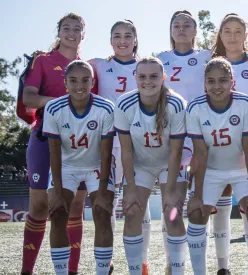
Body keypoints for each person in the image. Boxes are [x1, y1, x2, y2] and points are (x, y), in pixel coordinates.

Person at [186, 58, 248, 275]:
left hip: (241, 169)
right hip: (211, 170)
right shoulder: (195, 107)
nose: (217, 86)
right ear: (204, 84)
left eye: (223, 80)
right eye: (211, 81)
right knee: (196, 214)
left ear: (233, 81)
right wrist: (197, 195)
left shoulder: (245, 103)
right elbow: (200, 153)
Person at [21, 13, 87, 275]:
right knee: (39, 206)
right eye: (66, 28)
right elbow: (28, 97)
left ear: (84, 34)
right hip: (44, 138)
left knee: (75, 207)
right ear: (58, 32)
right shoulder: (43, 60)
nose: (72, 33)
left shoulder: (87, 65)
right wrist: (62, 102)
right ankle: (27, 270)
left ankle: (72, 270)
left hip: (80, 143)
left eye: (77, 29)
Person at [88, 20, 153, 272]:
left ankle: (142, 261)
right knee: (109, 200)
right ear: (110, 40)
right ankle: (108, 260)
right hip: (108, 143)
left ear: (136, 39)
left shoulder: (146, 65)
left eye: (128, 35)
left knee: (139, 201)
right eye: (117, 36)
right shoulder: (99, 65)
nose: (122, 40)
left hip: (139, 143)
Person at [114, 57, 189, 275]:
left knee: (172, 212)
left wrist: (171, 189)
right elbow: (126, 150)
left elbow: (176, 151)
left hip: (170, 164)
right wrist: (129, 188)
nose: (148, 81)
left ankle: (176, 270)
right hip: (141, 165)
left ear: (163, 78)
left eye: (154, 76)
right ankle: (136, 271)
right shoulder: (124, 104)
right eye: (143, 77)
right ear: (135, 78)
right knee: (132, 211)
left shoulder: (176, 104)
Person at [210, 13, 248, 274]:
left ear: (246, 36)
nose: (232, 36)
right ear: (220, 35)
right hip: (215, 145)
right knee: (220, 208)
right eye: (227, 31)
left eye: (238, 31)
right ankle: (223, 267)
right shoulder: (209, 63)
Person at [42, 60, 115, 275]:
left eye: (85, 80)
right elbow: (54, 151)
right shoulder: (54, 108)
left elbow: (106, 152)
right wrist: (56, 189)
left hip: (96, 166)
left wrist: (102, 191)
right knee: (57, 212)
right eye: (73, 80)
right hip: (66, 166)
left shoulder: (105, 108)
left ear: (93, 82)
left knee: (102, 212)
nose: (79, 85)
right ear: (65, 83)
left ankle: (102, 271)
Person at [157, 10, 211, 274]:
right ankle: (173, 261)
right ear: (170, 30)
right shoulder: (160, 59)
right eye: (176, 24)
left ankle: (203, 263)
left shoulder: (207, 57)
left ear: (195, 31)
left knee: (202, 203)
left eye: (186, 25)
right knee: (172, 204)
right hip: (171, 141)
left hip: (203, 137)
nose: (181, 29)